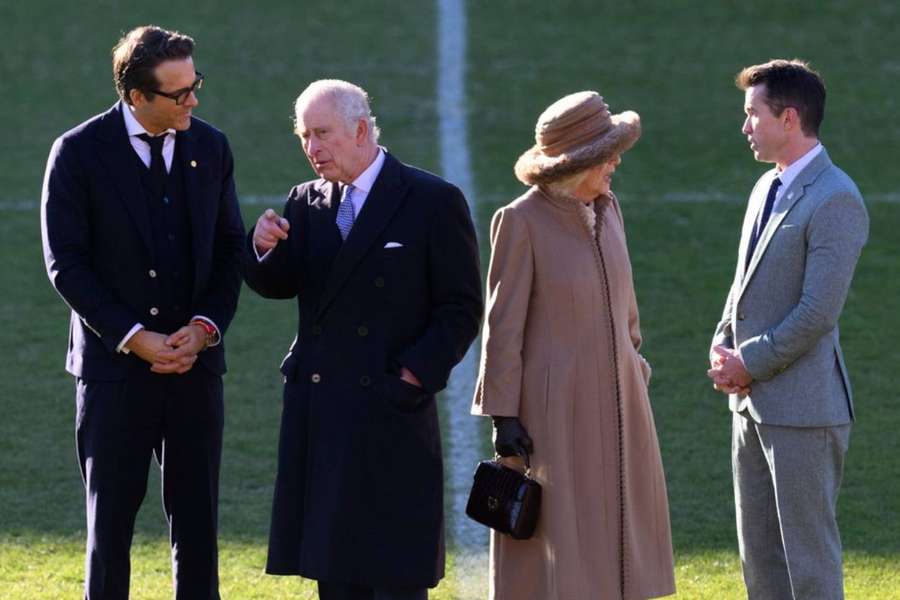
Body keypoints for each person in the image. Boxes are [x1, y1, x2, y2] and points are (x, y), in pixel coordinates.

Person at [243, 79, 482, 600]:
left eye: (322, 133)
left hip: (392, 411)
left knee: (395, 572)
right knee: (337, 573)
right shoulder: (305, 202)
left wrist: (413, 375)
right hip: (323, 410)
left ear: (360, 130)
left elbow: (461, 308)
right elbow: (282, 285)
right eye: (304, 136)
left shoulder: (432, 200)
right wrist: (262, 248)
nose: (312, 148)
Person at [40, 25, 245, 599]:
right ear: (137, 96)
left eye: (195, 85)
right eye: (180, 93)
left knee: (199, 528)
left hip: (195, 368)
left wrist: (203, 330)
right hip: (114, 374)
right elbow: (66, 263)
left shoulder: (212, 147)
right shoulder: (78, 153)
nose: (194, 101)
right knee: (110, 532)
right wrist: (133, 337)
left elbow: (231, 248)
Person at [471, 91, 675, 600]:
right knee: (567, 543)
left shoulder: (609, 209)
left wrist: (635, 368)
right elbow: (502, 326)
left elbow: (627, 311)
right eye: (607, 153)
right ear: (577, 162)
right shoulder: (520, 221)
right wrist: (504, 415)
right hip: (555, 413)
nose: (616, 162)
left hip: (624, 403)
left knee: (624, 535)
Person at [708, 59, 868, 600]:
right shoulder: (764, 187)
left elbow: (817, 313)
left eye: (753, 113)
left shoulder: (836, 198)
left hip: (804, 411)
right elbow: (743, 285)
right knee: (760, 559)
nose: (745, 125)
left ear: (790, 117)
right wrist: (722, 341)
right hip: (750, 405)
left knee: (808, 563)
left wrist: (746, 361)